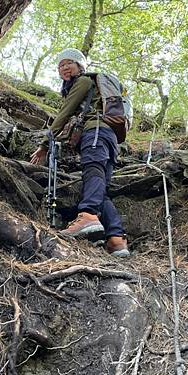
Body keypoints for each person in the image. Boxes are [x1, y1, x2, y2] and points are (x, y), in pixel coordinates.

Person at [30, 48, 130, 257]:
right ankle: (116, 239)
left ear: (80, 66)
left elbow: (65, 113)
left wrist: (44, 144)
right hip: (110, 138)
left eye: (69, 63)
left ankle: (88, 216)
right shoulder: (89, 86)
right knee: (99, 187)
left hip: (95, 132)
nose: (64, 68)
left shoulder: (83, 82)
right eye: (60, 65)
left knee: (92, 170)